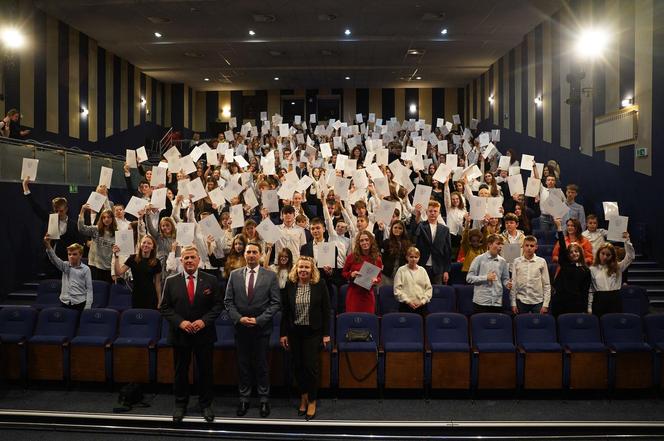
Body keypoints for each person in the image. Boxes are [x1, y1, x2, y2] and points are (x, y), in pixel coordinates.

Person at [160, 245, 223, 423]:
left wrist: (204, 321)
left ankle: (206, 404)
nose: (189, 260)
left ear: (198, 260)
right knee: (180, 371)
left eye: (192, 257)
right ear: (181, 261)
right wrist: (181, 322)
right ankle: (180, 404)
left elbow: (218, 305)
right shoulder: (171, 281)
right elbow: (165, 308)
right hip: (180, 334)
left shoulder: (210, 280)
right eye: (186, 258)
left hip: (204, 334)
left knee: (205, 371)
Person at [224, 242, 281, 418]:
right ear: (245, 255)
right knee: (243, 365)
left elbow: (276, 303)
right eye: (248, 252)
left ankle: (264, 399)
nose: (251, 255)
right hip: (241, 328)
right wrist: (239, 318)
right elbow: (228, 301)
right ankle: (244, 399)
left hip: (261, 329)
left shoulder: (270, 276)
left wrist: (259, 320)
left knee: (262, 365)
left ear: (260, 254)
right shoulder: (234, 275)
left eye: (254, 252)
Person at [279, 256, 331, 420]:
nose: (303, 270)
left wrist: (326, 334)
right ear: (296, 268)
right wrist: (283, 333)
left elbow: (326, 310)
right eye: (301, 267)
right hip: (295, 332)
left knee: (311, 367)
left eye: (307, 268)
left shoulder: (319, 285)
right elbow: (285, 312)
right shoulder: (290, 284)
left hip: (313, 332)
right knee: (298, 366)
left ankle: (312, 400)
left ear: (312, 269)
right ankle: (303, 397)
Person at [550, 218, 592, 316]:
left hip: (576, 301)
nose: (574, 254)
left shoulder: (585, 270)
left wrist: (585, 309)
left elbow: (585, 292)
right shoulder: (565, 263)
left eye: (572, 225)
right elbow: (561, 253)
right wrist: (559, 228)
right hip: (562, 294)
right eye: (568, 225)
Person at [589, 233, 635, 316]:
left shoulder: (618, 267)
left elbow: (630, 257)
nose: (605, 257)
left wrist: (627, 241)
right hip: (599, 299)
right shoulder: (592, 269)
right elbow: (591, 290)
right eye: (603, 253)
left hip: (615, 298)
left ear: (612, 256)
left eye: (608, 255)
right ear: (598, 253)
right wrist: (589, 307)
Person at [112, 235, 162, 309]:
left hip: (151, 295)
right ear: (140, 244)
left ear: (153, 247)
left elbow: (157, 284)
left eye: (149, 243)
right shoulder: (133, 258)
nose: (146, 245)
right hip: (136, 294)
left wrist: (159, 300)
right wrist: (116, 256)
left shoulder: (156, 262)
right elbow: (119, 272)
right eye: (144, 242)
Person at [43, 235, 92, 311]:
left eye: (74, 254)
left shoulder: (86, 269)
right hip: (65, 302)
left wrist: (88, 307)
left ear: (81, 255)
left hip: (80, 303)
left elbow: (89, 289)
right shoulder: (65, 266)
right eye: (69, 254)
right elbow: (54, 259)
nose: (71, 256)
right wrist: (48, 245)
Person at [466, 234, 512, 314]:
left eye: (501, 244)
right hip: (481, 301)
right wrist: (485, 277)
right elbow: (469, 278)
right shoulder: (479, 259)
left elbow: (505, 279)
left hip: (496, 301)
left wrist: (507, 284)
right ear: (489, 244)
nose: (500, 246)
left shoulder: (503, 261)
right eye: (498, 243)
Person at [410, 200, 451, 284]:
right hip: (422, 265)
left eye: (435, 211)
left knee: (437, 294)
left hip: (438, 268)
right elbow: (413, 232)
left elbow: (447, 251)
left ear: (439, 213)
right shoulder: (421, 226)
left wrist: (446, 270)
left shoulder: (445, 230)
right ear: (427, 212)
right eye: (430, 211)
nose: (432, 213)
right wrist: (417, 216)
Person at [342, 230, 383, 313]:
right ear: (358, 243)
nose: (364, 242)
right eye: (361, 240)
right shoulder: (351, 257)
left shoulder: (377, 259)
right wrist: (351, 274)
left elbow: (379, 277)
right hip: (353, 294)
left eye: (367, 240)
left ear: (371, 241)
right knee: (353, 321)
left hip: (368, 295)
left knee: (367, 322)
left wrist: (376, 280)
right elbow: (344, 273)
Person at [510, 236, 551, 314]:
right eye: (527, 245)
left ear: (536, 247)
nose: (529, 248)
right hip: (521, 300)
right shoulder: (516, 261)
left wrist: (545, 304)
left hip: (537, 301)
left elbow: (546, 284)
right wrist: (513, 303)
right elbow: (513, 283)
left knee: (537, 325)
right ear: (523, 246)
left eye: (532, 246)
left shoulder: (542, 261)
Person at [78, 205, 117, 283]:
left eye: (109, 217)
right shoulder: (96, 229)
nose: (106, 219)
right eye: (104, 217)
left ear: (112, 219)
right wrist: (82, 211)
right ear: (101, 219)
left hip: (109, 267)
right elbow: (81, 229)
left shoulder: (117, 233)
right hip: (95, 266)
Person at [393, 247, 432, 315]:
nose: (413, 259)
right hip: (406, 306)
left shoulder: (422, 270)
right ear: (407, 257)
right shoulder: (401, 270)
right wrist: (408, 301)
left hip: (421, 306)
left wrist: (422, 301)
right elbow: (397, 290)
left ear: (419, 258)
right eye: (411, 257)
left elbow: (429, 289)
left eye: (416, 257)